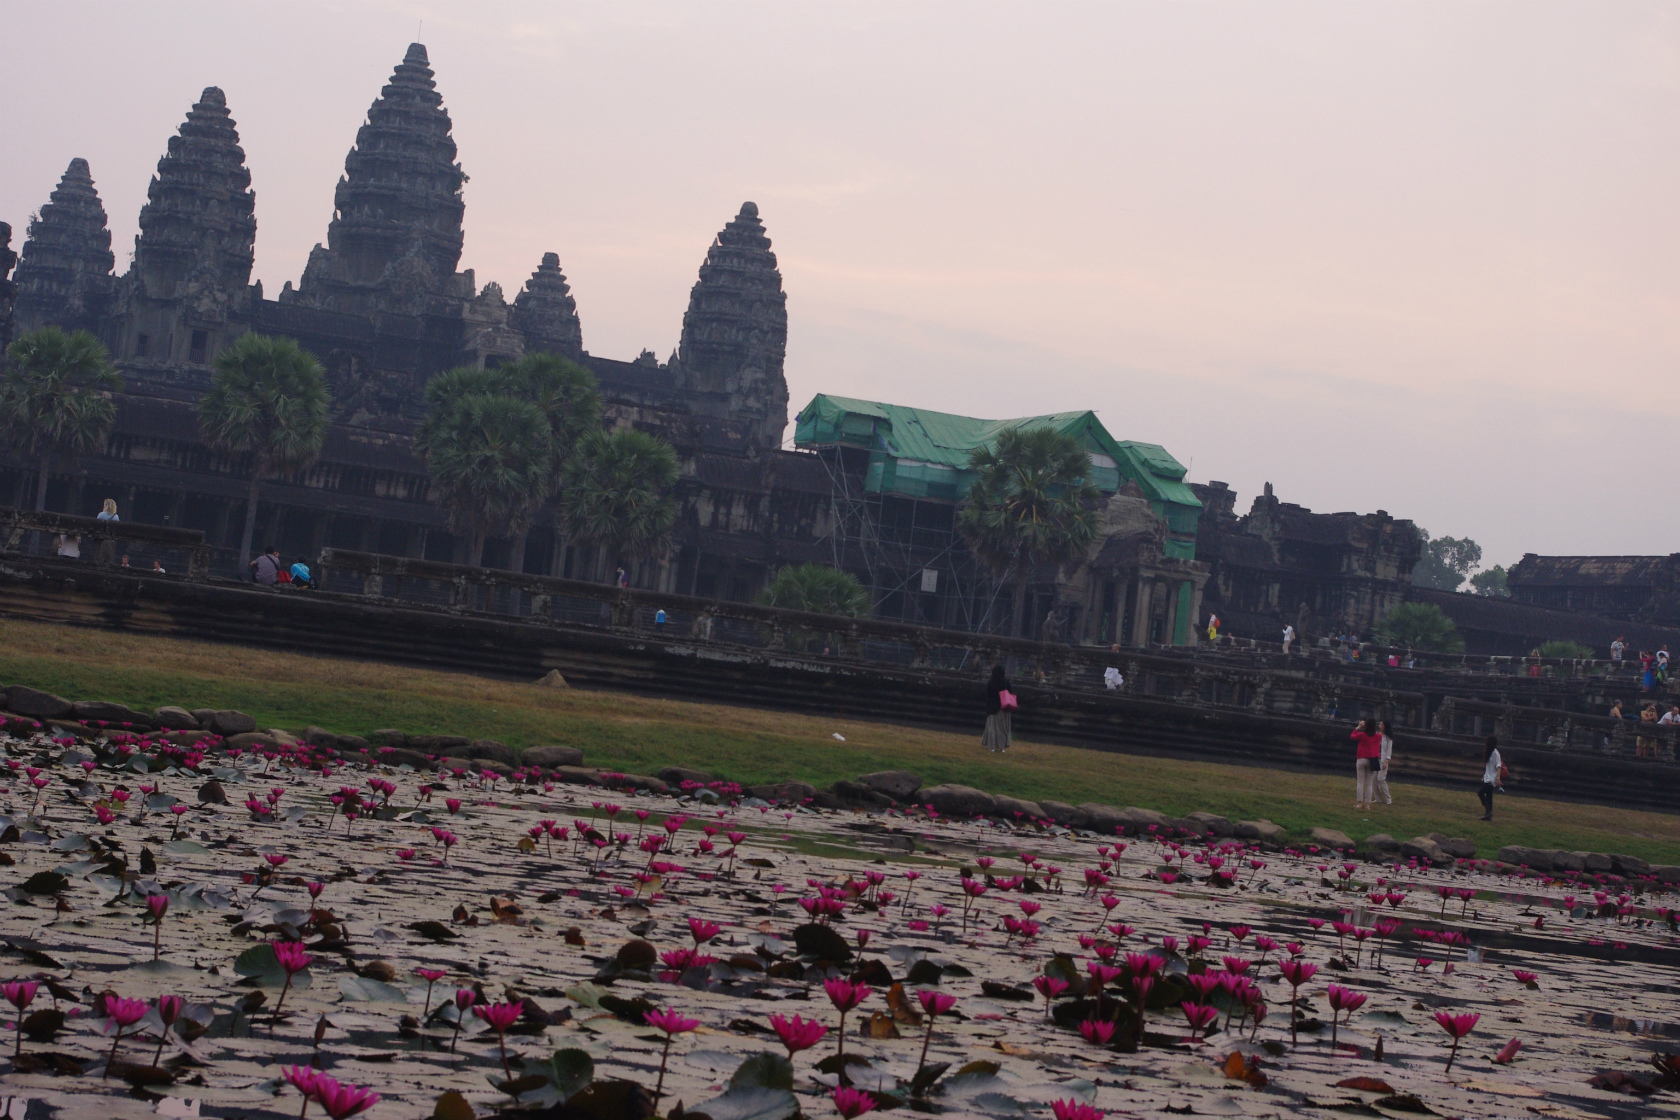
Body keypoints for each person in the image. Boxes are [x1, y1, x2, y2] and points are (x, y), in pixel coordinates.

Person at [1351, 718, 1384, 811]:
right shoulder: (1378, 736)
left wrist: (1358, 727)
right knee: (1369, 784)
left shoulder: (1362, 735)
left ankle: (1359, 803)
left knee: (1360, 781)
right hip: (1372, 760)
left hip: (1361, 758)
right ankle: (1367, 805)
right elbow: (1380, 734)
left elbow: (1352, 736)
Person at [982, 664, 1013, 753]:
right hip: (1004, 708)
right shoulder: (1006, 682)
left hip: (992, 708)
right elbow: (1011, 693)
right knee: (1002, 729)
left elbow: (987, 695)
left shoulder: (990, 682)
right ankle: (1002, 747)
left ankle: (992, 746)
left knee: (992, 729)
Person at [1478, 736, 1503, 820]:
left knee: (1480, 793)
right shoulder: (1489, 753)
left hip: (1491, 780)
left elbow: (1498, 766)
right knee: (1489, 796)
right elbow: (1488, 767)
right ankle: (1488, 815)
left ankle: (1488, 811)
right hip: (1487, 778)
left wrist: (1498, 779)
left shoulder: (1496, 753)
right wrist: (1484, 775)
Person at [1373, 719, 1395, 805]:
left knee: (1381, 779)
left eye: (1381, 725)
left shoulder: (1388, 738)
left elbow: (1389, 750)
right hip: (1376, 759)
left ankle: (1388, 799)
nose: (1380, 726)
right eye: (1379, 725)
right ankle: (1378, 798)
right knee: (1374, 780)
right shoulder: (1377, 735)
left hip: (1383, 760)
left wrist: (1386, 761)